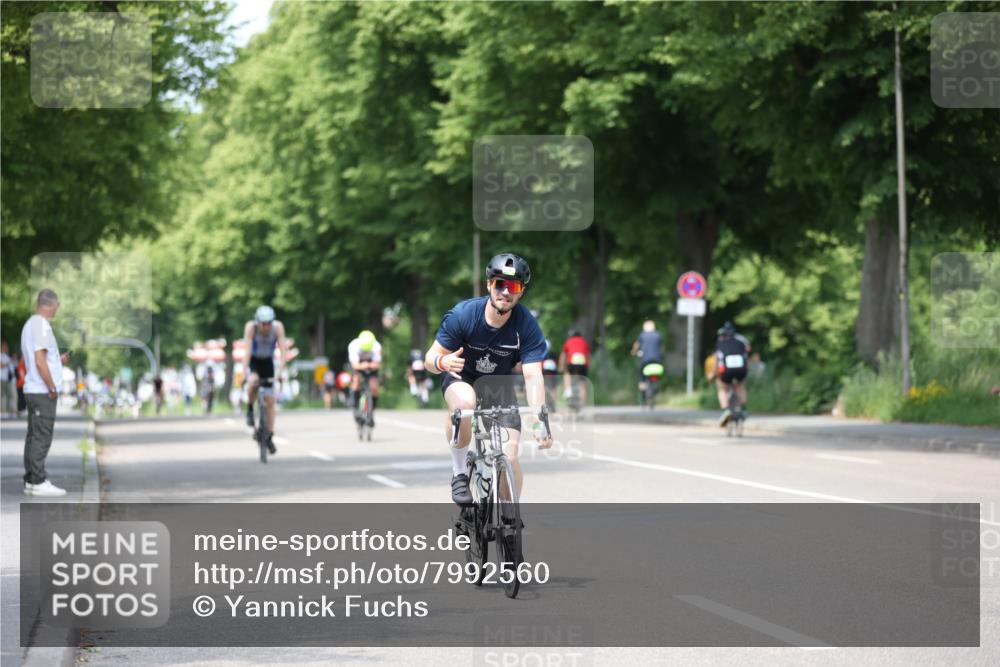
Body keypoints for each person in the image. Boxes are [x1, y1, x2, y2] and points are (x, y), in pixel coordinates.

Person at [424, 253, 553, 505]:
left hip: (498, 384)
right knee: (464, 406)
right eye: (499, 284)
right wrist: (442, 362)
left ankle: (508, 516)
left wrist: (539, 419)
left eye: (513, 286)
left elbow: (532, 375)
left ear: (521, 292)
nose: (505, 292)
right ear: (488, 285)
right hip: (462, 377)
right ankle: (460, 473)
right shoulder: (463, 315)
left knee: (510, 455)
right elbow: (430, 358)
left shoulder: (525, 325)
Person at [21, 289, 71, 496]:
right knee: (42, 436)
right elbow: (40, 362)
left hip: (34, 389)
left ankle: (32, 480)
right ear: (50, 304)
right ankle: (39, 480)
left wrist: (58, 363)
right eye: (58, 304)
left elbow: (40, 360)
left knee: (34, 436)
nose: (58, 308)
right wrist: (51, 387)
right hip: (42, 391)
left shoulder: (31, 324)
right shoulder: (40, 325)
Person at [242, 305, 288, 454]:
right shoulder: (251, 328)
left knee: (270, 400)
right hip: (254, 361)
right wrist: (245, 373)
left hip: (268, 362)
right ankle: (249, 407)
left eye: (269, 323)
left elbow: (283, 352)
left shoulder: (278, 327)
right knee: (254, 382)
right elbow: (247, 351)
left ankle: (269, 435)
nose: (266, 326)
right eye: (263, 323)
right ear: (258, 322)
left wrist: (280, 372)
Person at [714, 321, 752, 426]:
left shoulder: (720, 342)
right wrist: (747, 371)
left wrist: (714, 374)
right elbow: (746, 358)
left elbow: (717, 360)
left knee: (722, 388)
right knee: (740, 386)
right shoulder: (741, 342)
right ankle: (743, 408)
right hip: (741, 370)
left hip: (726, 371)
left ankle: (726, 409)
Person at [347, 330, 382, 426]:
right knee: (356, 380)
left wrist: (371, 365)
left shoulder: (376, 346)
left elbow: (377, 364)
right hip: (357, 365)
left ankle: (371, 411)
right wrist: (363, 365)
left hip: (370, 364)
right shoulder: (353, 346)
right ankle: (354, 403)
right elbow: (355, 365)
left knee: (374, 387)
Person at [631, 320, 663, 403]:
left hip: (645, 360)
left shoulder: (642, 335)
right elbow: (661, 347)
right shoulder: (658, 335)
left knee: (642, 378)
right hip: (656, 360)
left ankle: (642, 397)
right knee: (656, 375)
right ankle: (655, 387)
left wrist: (634, 352)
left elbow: (636, 345)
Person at [559, 329, 591, 407]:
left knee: (567, 374)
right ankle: (582, 405)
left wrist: (561, 366)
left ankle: (568, 390)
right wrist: (588, 367)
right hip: (583, 364)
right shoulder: (584, 341)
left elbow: (563, 355)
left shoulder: (569, 341)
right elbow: (588, 356)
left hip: (572, 363)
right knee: (582, 385)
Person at [1, 340, 15, 416]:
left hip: (7, 378)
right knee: (1, 395)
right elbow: (1, 366)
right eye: (5, 346)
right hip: (1, 378)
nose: (6, 348)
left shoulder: (6, 356)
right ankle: (1, 411)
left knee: (7, 395)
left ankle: (7, 411)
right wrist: (8, 362)